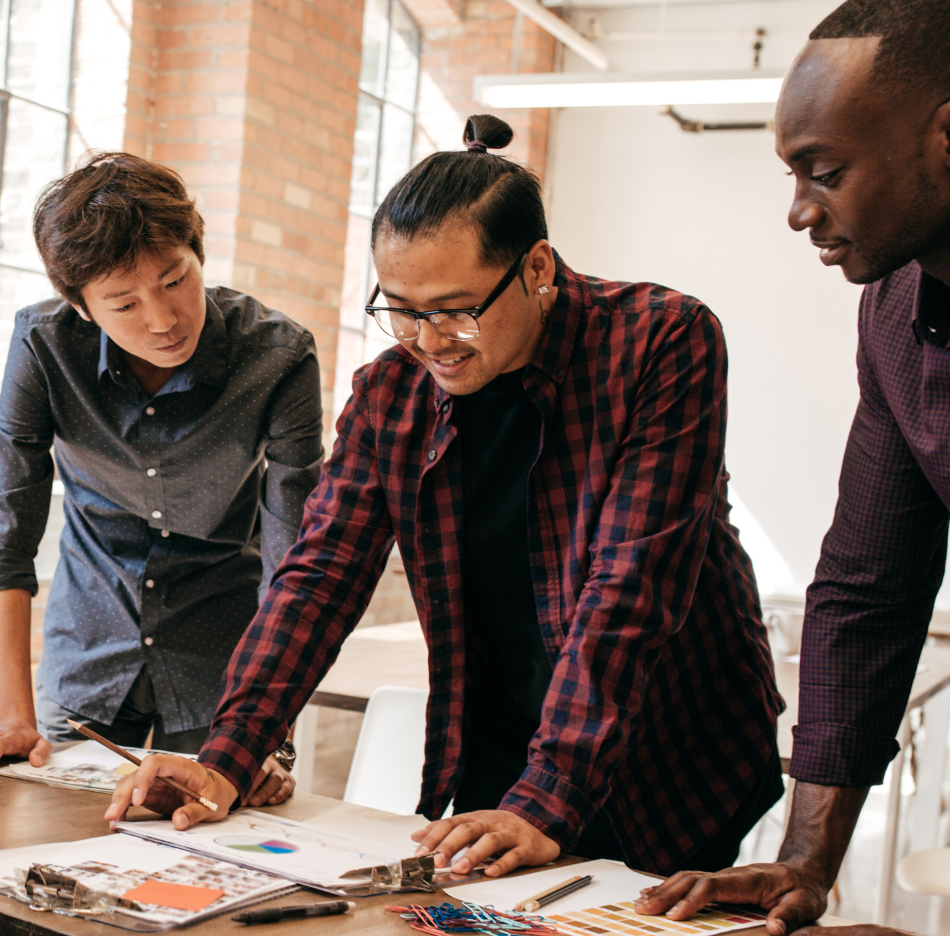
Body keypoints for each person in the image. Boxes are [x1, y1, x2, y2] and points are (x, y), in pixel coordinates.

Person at [109, 117, 785, 879]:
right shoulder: (392, 394)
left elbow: (631, 587)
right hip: (505, 751)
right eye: (401, 309)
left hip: (667, 745)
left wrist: (551, 795)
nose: (429, 342)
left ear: (535, 268)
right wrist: (228, 756)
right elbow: (318, 577)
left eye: (457, 309)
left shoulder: (660, 342)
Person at [637, 0, 950, 936]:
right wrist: (804, 863)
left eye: (825, 171)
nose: (800, 212)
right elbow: (867, 589)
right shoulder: (895, 314)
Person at [0, 151, 322, 805]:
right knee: (50, 835)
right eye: (124, 303)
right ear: (82, 307)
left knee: (203, 857)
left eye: (176, 280)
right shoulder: (44, 345)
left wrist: (267, 732)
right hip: (90, 648)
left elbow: (293, 560)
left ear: (198, 252)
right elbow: (6, 536)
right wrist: (12, 717)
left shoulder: (280, 355)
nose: (162, 318)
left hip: (225, 666)